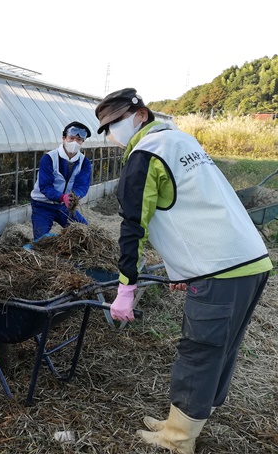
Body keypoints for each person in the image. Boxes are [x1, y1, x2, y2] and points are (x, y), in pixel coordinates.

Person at [95, 88, 272, 454]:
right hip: (249, 259)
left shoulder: (145, 154)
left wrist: (126, 288)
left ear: (140, 114)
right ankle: (184, 422)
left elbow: (133, 226)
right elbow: (191, 208)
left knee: (200, 349)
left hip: (220, 267)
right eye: (107, 128)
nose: (112, 133)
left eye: (115, 123)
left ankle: (178, 440)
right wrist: (182, 270)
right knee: (219, 349)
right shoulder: (180, 140)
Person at [29, 121, 92, 241]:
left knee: (85, 232)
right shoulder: (49, 158)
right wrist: (62, 197)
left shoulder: (85, 163)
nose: (74, 142)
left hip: (65, 206)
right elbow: (45, 186)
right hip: (42, 205)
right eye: (71, 138)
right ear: (63, 138)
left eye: (79, 140)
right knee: (41, 241)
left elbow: (82, 185)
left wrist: (74, 196)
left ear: (83, 142)